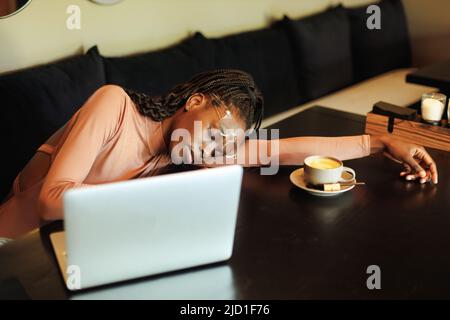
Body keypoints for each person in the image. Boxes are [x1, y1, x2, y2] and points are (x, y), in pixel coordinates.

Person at [0, 69, 438, 239]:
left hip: (77, 247)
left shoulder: (194, 151)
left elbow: (283, 149)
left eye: (224, 146)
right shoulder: (114, 104)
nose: (213, 150)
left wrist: (376, 144)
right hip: (16, 247)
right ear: (194, 101)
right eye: (214, 134)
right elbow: (50, 199)